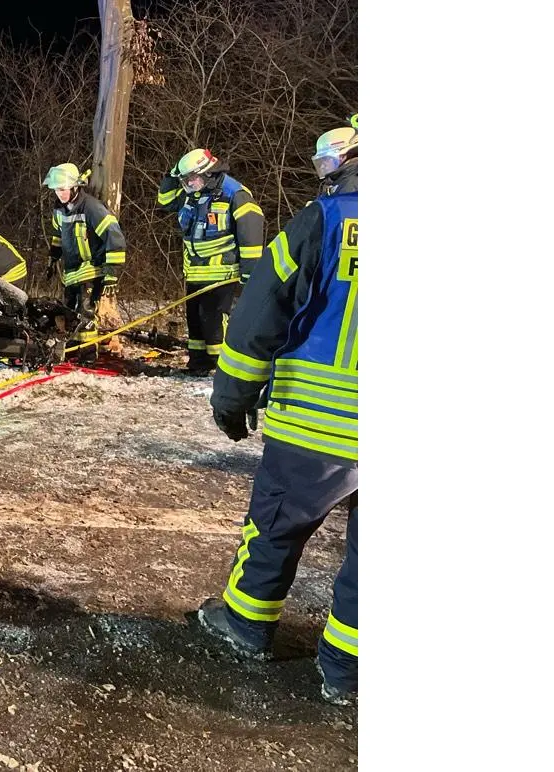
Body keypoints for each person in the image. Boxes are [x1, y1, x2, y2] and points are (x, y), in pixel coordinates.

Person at [196, 124, 358, 706]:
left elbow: (263, 306)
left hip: (322, 421)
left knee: (276, 525)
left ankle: (245, 624)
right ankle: (347, 671)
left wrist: (233, 395)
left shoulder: (326, 219)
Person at [156, 148, 266, 374]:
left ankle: (222, 368)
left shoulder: (235, 194)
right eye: (184, 180)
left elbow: (251, 237)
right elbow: (164, 200)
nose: (188, 184)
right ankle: (198, 364)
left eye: (191, 179)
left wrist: (250, 276)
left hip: (222, 275)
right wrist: (172, 174)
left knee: (214, 324)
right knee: (195, 323)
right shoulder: (192, 194)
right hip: (195, 272)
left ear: (208, 173)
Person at [43, 162, 126, 352]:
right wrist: (53, 258)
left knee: (86, 313)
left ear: (75, 187)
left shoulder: (91, 208)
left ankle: (88, 353)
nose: (59, 194)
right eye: (56, 190)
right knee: (70, 312)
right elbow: (57, 235)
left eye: (63, 189)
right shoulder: (59, 210)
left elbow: (114, 236)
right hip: (71, 272)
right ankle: (74, 347)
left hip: (91, 269)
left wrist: (110, 272)